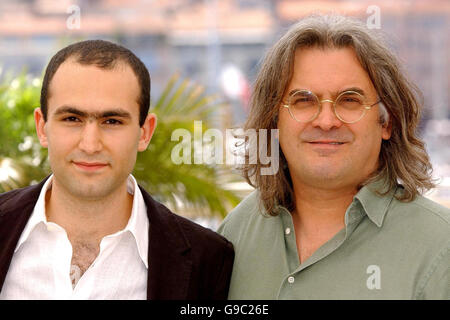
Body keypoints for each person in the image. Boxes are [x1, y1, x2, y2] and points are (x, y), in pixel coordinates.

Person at [218, 14, 449, 299]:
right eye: (304, 100)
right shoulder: (235, 232)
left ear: (386, 121)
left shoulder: (441, 249)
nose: (326, 121)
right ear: (274, 119)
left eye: (350, 100)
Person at [0, 40, 234, 299]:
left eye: (112, 121)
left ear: (145, 132)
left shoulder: (209, 261)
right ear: (42, 127)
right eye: (72, 119)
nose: (90, 145)